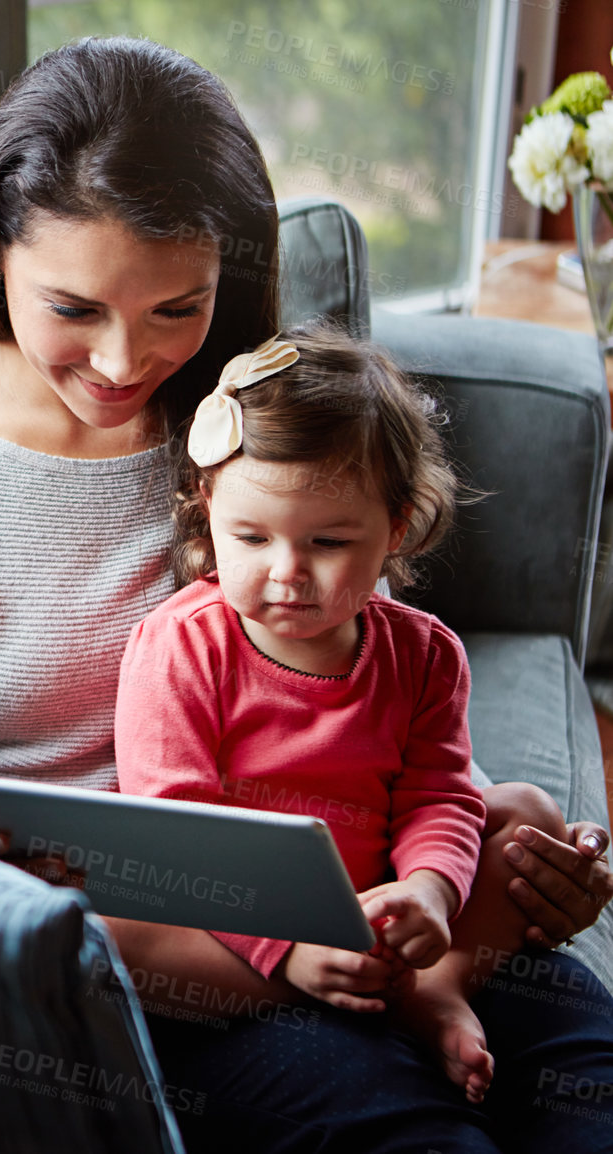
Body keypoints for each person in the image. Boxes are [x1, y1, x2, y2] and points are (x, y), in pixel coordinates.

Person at [0, 36, 613, 1152]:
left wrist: (490, 863)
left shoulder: (248, 416)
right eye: (72, 307)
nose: (126, 363)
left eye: (176, 308)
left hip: (380, 897)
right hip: (158, 947)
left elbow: (366, 672)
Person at [114, 323, 571, 1105]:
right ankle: (325, 983)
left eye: (328, 541)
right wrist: (286, 947)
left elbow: (439, 796)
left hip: (390, 900)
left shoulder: (423, 654)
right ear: (207, 507)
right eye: (250, 538)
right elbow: (179, 831)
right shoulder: (181, 646)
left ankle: (435, 988)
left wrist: (429, 890)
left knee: (529, 816)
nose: (286, 574)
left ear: (395, 529)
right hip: (244, 917)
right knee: (112, 920)